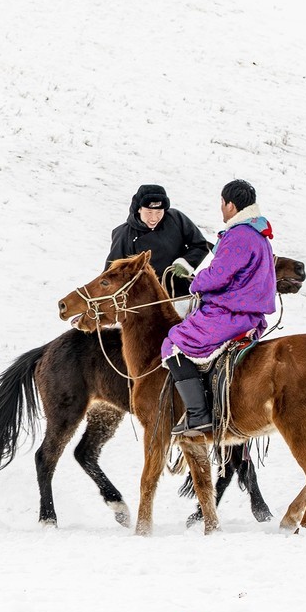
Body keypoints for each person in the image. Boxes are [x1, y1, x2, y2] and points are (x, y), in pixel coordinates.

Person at [161, 179, 277, 436]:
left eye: (222, 203)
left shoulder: (238, 235)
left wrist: (195, 283)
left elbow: (218, 275)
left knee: (174, 341)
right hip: (250, 315)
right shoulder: (259, 235)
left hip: (230, 314)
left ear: (231, 205)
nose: (221, 208)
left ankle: (198, 414)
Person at [106, 183, 211, 298]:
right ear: (139, 209)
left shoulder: (175, 218)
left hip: (181, 290)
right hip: (146, 299)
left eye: (159, 212)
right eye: (149, 212)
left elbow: (200, 245)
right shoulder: (124, 234)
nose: (154, 218)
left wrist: (186, 263)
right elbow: (111, 274)